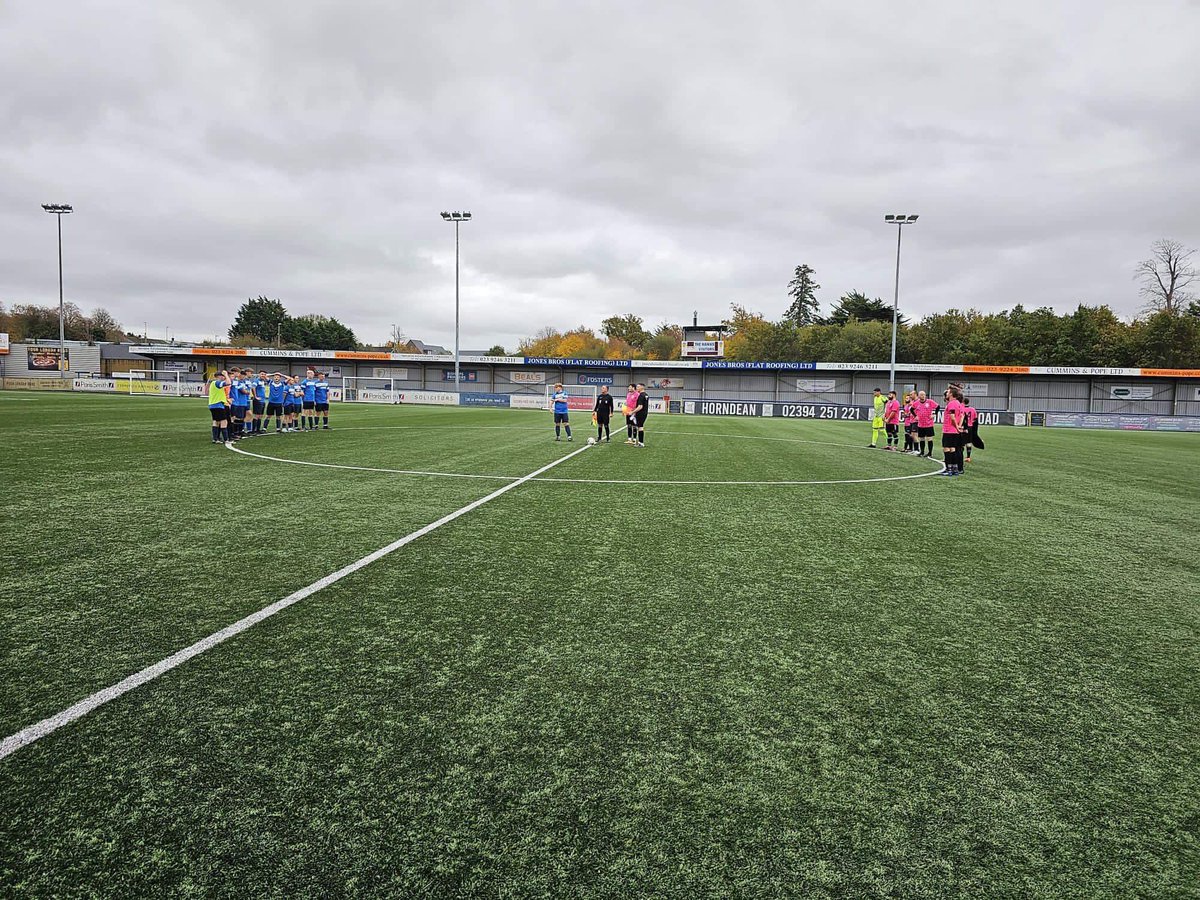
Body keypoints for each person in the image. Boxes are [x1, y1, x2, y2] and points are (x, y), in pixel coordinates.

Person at [940, 387, 965, 476]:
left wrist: (956, 426)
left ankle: (948, 469)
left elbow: (952, 417)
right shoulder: (958, 403)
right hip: (954, 431)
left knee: (947, 449)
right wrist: (958, 426)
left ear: (951, 394)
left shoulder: (951, 403)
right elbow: (962, 416)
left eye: (948, 392)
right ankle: (954, 469)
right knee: (953, 449)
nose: (947, 393)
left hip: (949, 430)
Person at [207, 369, 230, 443]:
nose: (224, 377)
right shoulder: (217, 383)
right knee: (224, 422)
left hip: (212, 404)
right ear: (219, 376)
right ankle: (226, 439)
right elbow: (228, 383)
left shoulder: (213, 383)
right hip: (218, 405)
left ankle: (215, 438)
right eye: (222, 376)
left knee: (216, 422)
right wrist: (226, 375)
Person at [913, 390, 938, 458]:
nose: (923, 396)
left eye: (924, 395)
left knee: (929, 438)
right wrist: (916, 416)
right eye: (921, 395)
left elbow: (937, 407)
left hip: (929, 424)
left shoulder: (930, 401)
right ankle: (922, 452)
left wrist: (934, 414)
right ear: (918, 396)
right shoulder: (916, 403)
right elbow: (911, 409)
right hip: (920, 424)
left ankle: (930, 453)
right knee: (921, 439)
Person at [963, 396, 984, 463]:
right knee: (969, 442)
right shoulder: (973, 409)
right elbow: (975, 419)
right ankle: (968, 457)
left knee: (961, 443)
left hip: (963, 427)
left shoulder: (961, 409)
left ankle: (960, 456)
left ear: (963, 402)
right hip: (970, 428)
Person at [632, 383, 649, 447]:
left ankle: (641, 443)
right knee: (640, 427)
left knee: (640, 427)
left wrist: (633, 412)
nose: (637, 388)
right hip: (644, 413)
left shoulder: (641, 395)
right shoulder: (646, 395)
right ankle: (640, 442)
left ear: (642, 387)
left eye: (638, 387)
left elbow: (640, 406)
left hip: (640, 413)